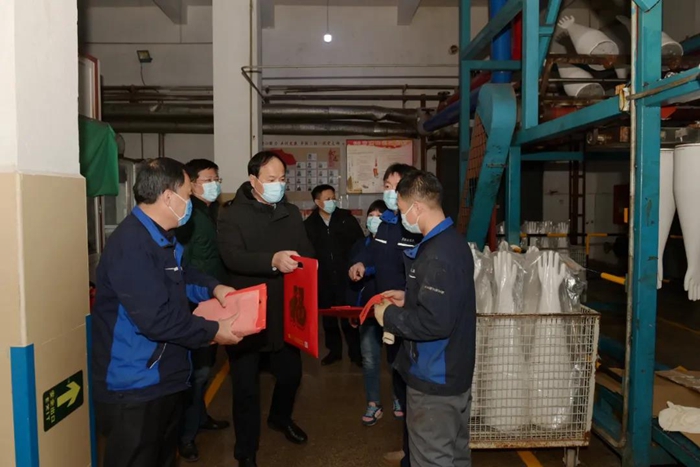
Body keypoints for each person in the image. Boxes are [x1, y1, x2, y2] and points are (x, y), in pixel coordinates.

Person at [91, 158, 243, 467]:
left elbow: (183, 276)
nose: (191, 203)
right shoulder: (132, 246)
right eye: (188, 195)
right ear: (168, 197)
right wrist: (214, 331)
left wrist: (214, 288)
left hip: (164, 377)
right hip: (135, 386)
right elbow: (157, 320)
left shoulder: (162, 237)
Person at [373, 170, 476, 467]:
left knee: (432, 459)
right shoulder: (453, 242)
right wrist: (409, 298)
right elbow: (447, 303)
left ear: (417, 207)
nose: (401, 217)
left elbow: (435, 323)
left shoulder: (437, 255)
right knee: (456, 457)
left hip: (434, 380)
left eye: (402, 209)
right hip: (454, 374)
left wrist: (389, 315)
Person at [218, 151, 315, 467]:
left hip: (285, 311)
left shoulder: (290, 212)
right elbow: (232, 257)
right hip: (247, 311)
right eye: (271, 179)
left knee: (291, 375)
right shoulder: (232, 215)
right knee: (246, 389)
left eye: (282, 179)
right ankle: (246, 451)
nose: (278, 185)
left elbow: (305, 252)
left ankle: (280, 417)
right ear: (253, 180)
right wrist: (272, 260)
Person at [348, 163, 421, 467]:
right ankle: (408, 450)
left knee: (413, 386)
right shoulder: (387, 224)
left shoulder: (415, 226)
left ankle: (414, 454)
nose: (390, 192)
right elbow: (374, 254)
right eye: (387, 186)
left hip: (410, 316)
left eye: (396, 186)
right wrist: (361, 265)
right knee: (398, 375)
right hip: (387, 315)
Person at [175, 159, 230, 462]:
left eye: (216, 179)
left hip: (212, 300)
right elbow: (186, 266)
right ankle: (185, 436)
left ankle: (200, 416)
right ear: (191, 183)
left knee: (205, 368)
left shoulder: (210, 212)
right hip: (195, 303)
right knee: (197, 372)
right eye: (208, 179)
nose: (214, 184)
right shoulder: (187, 216)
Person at [346, 199, 399, 426]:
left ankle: (399, 398)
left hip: (392, 310)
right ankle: (373, 403)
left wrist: (368, 269)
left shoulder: (396, 244)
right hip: (367, 312)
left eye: (380, 215)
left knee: (396, 359)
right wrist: (352, 309)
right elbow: (351, 281)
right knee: (369, 359)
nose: (374, 219)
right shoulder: (360, 245)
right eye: (371, 215)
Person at [304, 184, 364, 366]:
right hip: (323, 278)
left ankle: (356, 353)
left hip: (346, 277)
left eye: (333, 198)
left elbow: (360, 244)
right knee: (329, 318)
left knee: (349, 317)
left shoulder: (346, 219)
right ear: (317, 202)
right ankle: (334, 351)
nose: (332, 202)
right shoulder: (309, 225)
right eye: (327, 199)